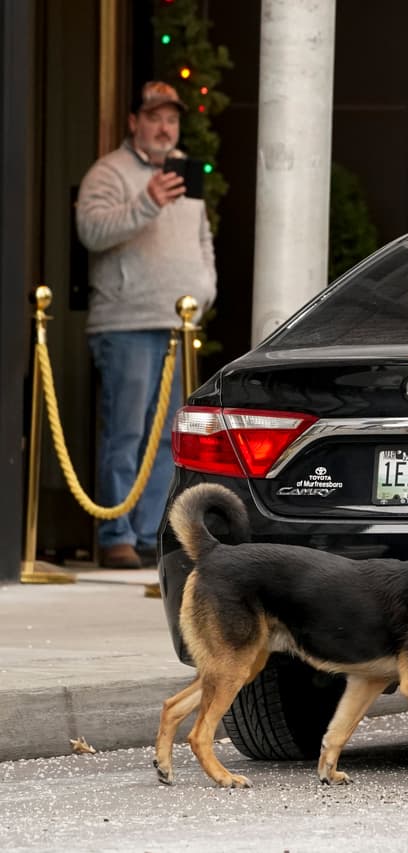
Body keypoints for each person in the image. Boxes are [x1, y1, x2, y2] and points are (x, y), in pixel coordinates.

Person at [76, 81, 216, 568]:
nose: (164, 127)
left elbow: (202, 239)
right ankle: (114, 531)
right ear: (134, 121)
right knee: (126, 431)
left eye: (172, 119)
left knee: (166, 438)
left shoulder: (187, 173)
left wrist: (205, 288)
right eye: (154, 117)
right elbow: (90, 232)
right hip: (127, 323)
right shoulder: (108, 173)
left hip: (178, 327)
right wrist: (147, 201)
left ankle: (148, 535)